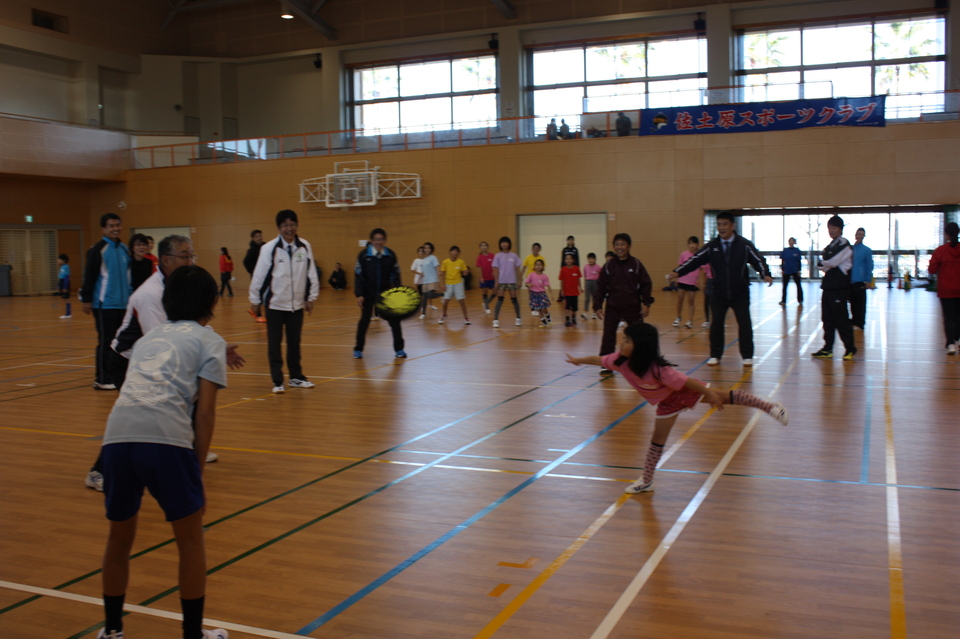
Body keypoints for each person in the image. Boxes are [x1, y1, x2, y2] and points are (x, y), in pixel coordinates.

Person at [96, 264, 229, 639]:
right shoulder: (210, 341)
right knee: (190, 541)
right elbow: (205, 414)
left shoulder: (146, 340)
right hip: (166, 442)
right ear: (212, 302)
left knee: (119, 538)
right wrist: (197, 472)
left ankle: (112, 630)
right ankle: (192, 634)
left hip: (116, 439)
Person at [85, 236, 242, 492]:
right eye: (185, 256)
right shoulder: (151, 293)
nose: (190, 261)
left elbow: (191, 324)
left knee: (187, 401)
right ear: (166, 260)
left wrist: (218, 347)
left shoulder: (178, 286)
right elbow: (162, 337)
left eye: (192, 255)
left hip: (151, 354)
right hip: (127, 360)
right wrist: (207, 350)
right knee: (137, 413)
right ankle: (98, 471)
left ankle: (189, 450)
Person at [565, 322, 788, 494]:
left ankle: (769, 407)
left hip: (683, 391)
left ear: (641, 346)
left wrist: (709, 394)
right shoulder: (618, 361)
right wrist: (579, 360)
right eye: (623, 339)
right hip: (666, 404)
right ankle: (647, 481)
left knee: (726, 396)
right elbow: (598, 359)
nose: (621, 344)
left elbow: (686, 381)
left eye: (627, 341)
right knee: (657, 441)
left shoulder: (658, 369)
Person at [672, 211, 772, 367]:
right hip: (718, 293)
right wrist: (678, 272)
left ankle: (747, 356)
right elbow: (695, 260)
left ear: (732, 226)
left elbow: (758, 260)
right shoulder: (712, 246)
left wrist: (765, 274)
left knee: (745, 324)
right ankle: (715, 355)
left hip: (740, 293)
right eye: (719, 225)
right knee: (716, 325)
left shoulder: (744, 245)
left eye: (725, 224)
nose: (721, 228)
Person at [249, 210, 319, 392]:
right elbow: (259, 275)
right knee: (274, 344)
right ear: (279, 228)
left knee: (294, 343)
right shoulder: (269, 248)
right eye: (285, 225)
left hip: (297, 305)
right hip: (274, 305)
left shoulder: (304, 246)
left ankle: (296, 377)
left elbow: (311, 272)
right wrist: (255, 299)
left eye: (292, 225)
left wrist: (311, 297)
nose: (289, 229)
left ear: (297, 226)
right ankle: (277, 381)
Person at [79, 213, 132, 391]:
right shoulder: (98, 250)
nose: (115, 228)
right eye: (111, 226)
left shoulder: (124, 249)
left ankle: (117, 376)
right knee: (106, 342)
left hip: (123, 305)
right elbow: (89, 276)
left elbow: (128, 278)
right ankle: (102, 378)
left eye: (117, 225)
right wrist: (86, 299)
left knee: (120, 342)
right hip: (104, 305)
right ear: (103, 229)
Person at [593, 233, 654, 375]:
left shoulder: (636, 264)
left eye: (622, 244)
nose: (619, 247)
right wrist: (597, 305)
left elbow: (646, 284)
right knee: (608, 336)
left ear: (629, 246)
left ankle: (639, 363)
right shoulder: (609, 266)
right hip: (612, 306)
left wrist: (646, 303)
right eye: (617, 244)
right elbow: (600, 287)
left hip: (632, 306)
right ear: (613, 246)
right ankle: (606, 363)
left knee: (638, 336)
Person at [353, 228, 405, 359]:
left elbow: (396, 274)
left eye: (381, 239)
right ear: (371, 241)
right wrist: (360, 294)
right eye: (376, 239)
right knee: (364, 321)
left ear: (385, 240)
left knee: (394, 321)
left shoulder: (390, 255)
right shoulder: (364, 255)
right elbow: (358, 276)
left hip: (386, 294)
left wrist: (398, 292)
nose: (378, 242)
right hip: (367, 294)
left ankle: (399, 349)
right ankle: (358, 349)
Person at [812, 215, 857, 361]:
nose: (831, 231)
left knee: (841, 319)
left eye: (834, 228)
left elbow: (831, 262)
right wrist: (825, 263)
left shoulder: (844, 245)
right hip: (828, 286)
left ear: (840, 229)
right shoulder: (831, 245)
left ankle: (850, 349)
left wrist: (825, 263)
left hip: (839, 287)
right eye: (829, 228)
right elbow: (823, 265)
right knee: (827, 319)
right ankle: (828, 348)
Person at [928, 222, 960, 354]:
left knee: (949, 317)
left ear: (946, 234)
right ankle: (957, 340)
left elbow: (932, 269)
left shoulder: (940, 251)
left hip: (946, 290)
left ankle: (951, 343)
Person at [672, 236, 705, 329]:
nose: (692, 245)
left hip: (693, 282)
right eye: (690, 243)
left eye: (694, 243)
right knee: (680, 300)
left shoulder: (699, 255)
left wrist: (699, 280)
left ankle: (690, 321)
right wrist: (678, 279)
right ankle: (678, 317)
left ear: (697, 245)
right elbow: (680, 267)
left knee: (691, 301)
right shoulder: (684, 254)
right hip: (682, 280)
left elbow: (702, 269)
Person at [492, 236, 523, 328]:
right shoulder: (497, 256)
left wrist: (520, 280)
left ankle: (518, 318)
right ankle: (495, 320)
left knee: (514, 299)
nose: (504, 244)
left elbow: (518, 269)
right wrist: (496, 281)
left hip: (511, 281)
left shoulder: (514, 256)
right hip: (501, 281)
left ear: (509, 244)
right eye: (502, 243)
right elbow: (496, 270)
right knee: (500, 299)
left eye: (505, 242)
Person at [439, 245, 470, 325]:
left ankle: (466, 318)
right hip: (448, 283)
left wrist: (466, 272)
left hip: (458, 283)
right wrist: (443, 285)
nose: (455, 253)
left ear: (458, 253)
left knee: (461, 301)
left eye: (456, 251)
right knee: (445, 301)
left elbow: (464, 272)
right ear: (450, 252)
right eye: (453, 251)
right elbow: (443, 273)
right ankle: (444, 314)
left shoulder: (461, 262)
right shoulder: (445, 262)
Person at [849, 228, 873, 329]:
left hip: (860, 281)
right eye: (858, 234)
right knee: (852, 303)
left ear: (864, 236)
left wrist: (868, 280)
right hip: (850, 281)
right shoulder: (850, 249)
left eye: (862, 234)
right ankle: (854, 321)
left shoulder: (866, 250)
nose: (860, 236)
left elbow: (869, 265)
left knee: (860, 304)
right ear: (855, 235)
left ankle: (859, 323)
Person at [243, 229, 266, 322]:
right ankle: (258, 314)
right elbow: (245, 262)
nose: (259, 238)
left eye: (260, 236)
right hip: (257, 275)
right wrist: (252, 271)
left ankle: (254, 310)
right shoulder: (252, 250)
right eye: (256, 237)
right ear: (253, 238)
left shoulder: (265, 247)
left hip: (265, 274)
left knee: (264, 294)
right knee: (259, 294)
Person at [525, 259, 552, 326]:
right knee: (538, 309)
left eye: (540, 265)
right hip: (533, 294)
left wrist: (551, 294)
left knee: (543, 308)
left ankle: (548, 315)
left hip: (541, 294)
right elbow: (526, 283)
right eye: (536, 265)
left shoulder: (544, 276)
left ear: (542, 267)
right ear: (534, 266)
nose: (538, 266)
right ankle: (543, 321)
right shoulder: (531, 275)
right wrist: (528, 285)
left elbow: (548, 285)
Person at [558, 253, 582, 327]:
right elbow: (562, 280)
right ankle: (567, 320)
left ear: (573, 260)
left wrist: (580, 287)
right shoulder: (563, 269)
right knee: (567, 307)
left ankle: (573, 318)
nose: (568, 260)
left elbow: (578, 279)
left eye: (569, 258)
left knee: (574, 308)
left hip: (575, 292)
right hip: (567, 292)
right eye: (566, 259)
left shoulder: (576, 268)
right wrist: (562, 290)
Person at [779, 237, 803, 307]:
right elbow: (782, 261)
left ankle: (800, 300)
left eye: (792, 241)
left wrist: (799, 270)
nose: (791, 242)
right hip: (787, 270)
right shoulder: (785, 250)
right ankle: (783, 300)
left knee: (798, 285)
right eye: (790, 241)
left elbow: (799, 261)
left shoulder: (797, 251)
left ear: (794, 242)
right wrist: (783, 269)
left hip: (795, 270)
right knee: (785, 286)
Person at [418, 242, 440, 319]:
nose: (427, 249)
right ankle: (423, 314)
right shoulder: (423, 260)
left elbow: (437, 266)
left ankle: (443, 294)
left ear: (431, 249)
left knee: (430, 295)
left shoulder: (433, 258)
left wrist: (439, 272)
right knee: (424, 297)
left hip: (432, 279)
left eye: (428, 248)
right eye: (425, 248)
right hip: (425, 281)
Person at [476, 241, 496, 314]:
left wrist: (495, 273)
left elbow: (495, 266)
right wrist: (481, 277)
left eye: (485, 245)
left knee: (495, 292)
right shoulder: (479, 257)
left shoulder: (492, 256)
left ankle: (486, 303)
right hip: (484, 278)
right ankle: (487, 307)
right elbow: (479, 268)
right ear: (480, 247)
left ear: (487, 247)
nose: (484, 247)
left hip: (492, 277)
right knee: (485, 292)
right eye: (482, 246)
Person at [581, 252, 601, 320]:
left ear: (595, 259)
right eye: (589, 259)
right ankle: (585, 312)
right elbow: (585, 276)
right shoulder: (586, 266)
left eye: (592, 259)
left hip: (595, 283)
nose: (590, 260)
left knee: (594, 298)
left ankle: (594, 313)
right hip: (588, 282)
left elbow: (601, 276)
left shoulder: (598, 267)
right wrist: (584, 284)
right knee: (587, 298)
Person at [57, 254, 72, 318]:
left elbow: (66, 277)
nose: (58, 260)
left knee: (67, 298)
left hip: (65, 283)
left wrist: (65, 287)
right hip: (62, 282)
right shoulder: (61, 267)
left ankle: (68, 313)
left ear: (63, 260)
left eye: (59, 259)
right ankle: (68, 313)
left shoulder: (66, 267)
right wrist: (58, 285)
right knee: (65, 298)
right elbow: (60, 277)